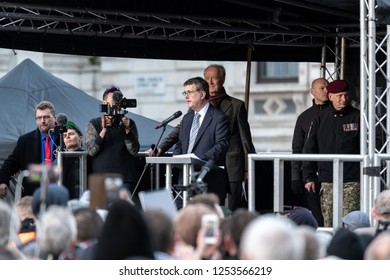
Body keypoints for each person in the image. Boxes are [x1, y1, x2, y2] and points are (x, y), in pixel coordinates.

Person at [149, 65, 255, 211]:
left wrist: (247, 169)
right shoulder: (189, 115)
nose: (210, 81)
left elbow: (243, 140)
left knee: (223, 212)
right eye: (207, 78)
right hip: (187, 172)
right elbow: (179, 137)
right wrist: (165, 150)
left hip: (222, 169)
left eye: (214, 78)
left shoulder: (234, 107)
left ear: (222, 80)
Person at [302, 80, 360, 227]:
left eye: (346, 95)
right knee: (329, 223)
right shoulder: (320, 118)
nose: (344, 99)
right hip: (327, 179)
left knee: (350, 223)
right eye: (339, 96)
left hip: (351, 179)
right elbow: (309, 147)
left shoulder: (357, 117)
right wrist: (308, 176)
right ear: (330, 96)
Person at [173, 76, 230, 204]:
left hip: (208, 181)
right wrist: (176, 159)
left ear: (202, 94)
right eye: (185, 93)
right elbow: (180, 143)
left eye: (190, 92)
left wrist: (199, 161)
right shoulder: (187, 118)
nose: (186, 96)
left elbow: (222, 145)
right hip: (185, 180)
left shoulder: (219, 117)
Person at [85, 86, 140, 194]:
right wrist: (103, 130)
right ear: (104, 103)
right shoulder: (95, 123)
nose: (116, 104)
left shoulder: (129, 123)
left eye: (119, 100)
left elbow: (134, 151)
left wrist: (128, 131)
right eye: (113, 100)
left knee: (122, 210)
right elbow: (91, 151)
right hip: (100, 179)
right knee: (100, 210)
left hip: (125, 179)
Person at [0, 101, 59, 198]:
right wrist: (2, 181)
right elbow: (10, 164)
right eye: (39, 118)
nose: (43, 121)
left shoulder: (64, 137)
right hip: (32, 196)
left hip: (58, 194)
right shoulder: (25, 140)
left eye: (46, 117)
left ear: (54, 118)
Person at [291, 77, 329, 226]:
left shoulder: (334, 114)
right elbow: (297, 149)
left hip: (330, 173)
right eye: (322, 88)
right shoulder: (304, 118)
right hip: (310, 175)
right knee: (316, 216)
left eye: (327, 87)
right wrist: (295, 176)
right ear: (312, 92)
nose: (326, 90)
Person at [61, 121, 86, 199]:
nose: (67, 137)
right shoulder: (59, 160)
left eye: (71, 134)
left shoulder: (88, 157)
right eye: (65, 135)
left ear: (80, 138)